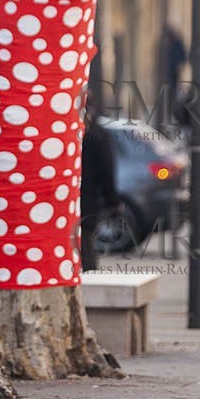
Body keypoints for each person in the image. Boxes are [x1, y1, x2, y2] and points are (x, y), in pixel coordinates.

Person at [79, 100, 118, 271]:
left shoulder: (67, 131)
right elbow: (107, 171)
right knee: (86, 253)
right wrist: (112, 201)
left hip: (69, 205)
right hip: (87, 206)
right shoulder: (97, 133)